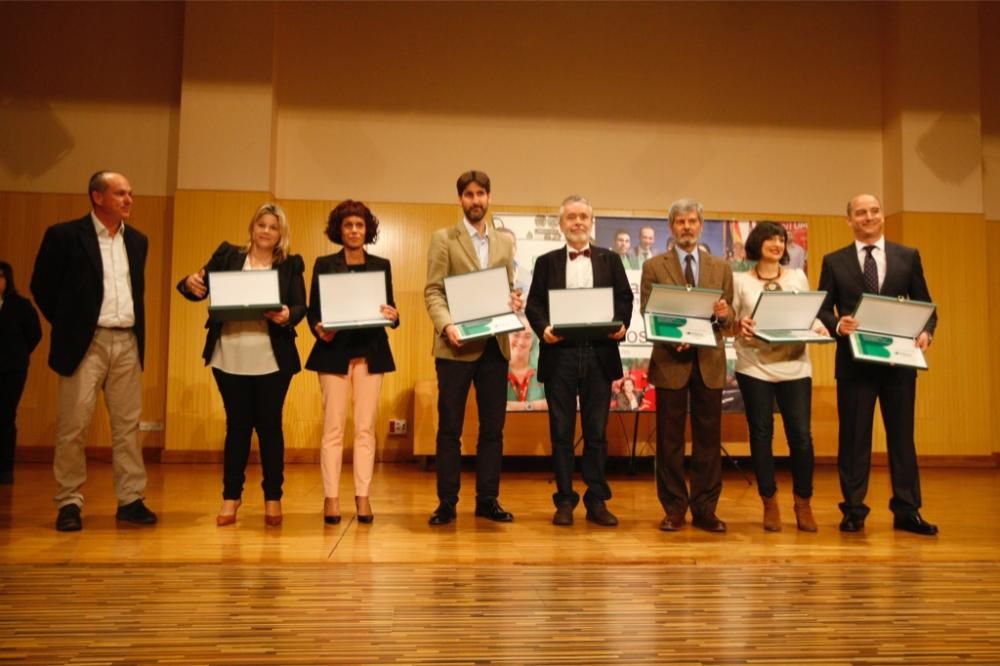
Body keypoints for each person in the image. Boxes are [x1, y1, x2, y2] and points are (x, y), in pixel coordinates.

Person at [30, 171, 157, 531]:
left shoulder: (138, 241)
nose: (128, 200)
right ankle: (69, 501)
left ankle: (131, 499)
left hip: (128, 341)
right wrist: (71, 324)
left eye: (130, 193)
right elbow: (41, 285)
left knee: (127, 427)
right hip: (86, 343)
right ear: (97, 197)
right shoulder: (65, 236)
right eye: (120, 193)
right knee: (73, 425)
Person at [177, 202, 305, 527]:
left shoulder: (290, 264)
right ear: (252, 227)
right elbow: (195, 287)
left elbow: (300, 306)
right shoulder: (227, 256)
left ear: (281, 234)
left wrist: (289, 315)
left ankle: (273, 497)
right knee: (236, 427)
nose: (266, 231)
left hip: (272, 358)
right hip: (229, 353)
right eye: (261, 225)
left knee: (269, 427)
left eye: (273, 227)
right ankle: (230, 497)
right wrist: (188, 283)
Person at [818, 193, 938, 536]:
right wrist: (837, 324)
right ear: (849, 220)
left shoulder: (908, 256)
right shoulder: (834, 261)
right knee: (854, 440)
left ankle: (907, 510)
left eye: (873, 211)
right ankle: (853, 509)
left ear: (882, 216)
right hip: (855, 366)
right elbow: (823, 308)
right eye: (860, 213)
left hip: (899, 364)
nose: (868, 217)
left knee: (902, 439)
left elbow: (926, 306)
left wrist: (926, 333)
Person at [526, 195, 633, 527]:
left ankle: (597, 500)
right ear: (561, 224)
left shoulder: (611, 260)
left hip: (599, 353)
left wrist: (621, 325)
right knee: (560, 432)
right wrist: (543, 329)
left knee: (597, 433)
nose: (577, 222)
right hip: (560, 355)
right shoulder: (546, 262)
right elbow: (534, 305)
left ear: (592, 222)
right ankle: (564, 501)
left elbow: (625, 298)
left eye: (583, 216)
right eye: (571, 217)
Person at [424, 170, 522, 525]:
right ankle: (447, 502)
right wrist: (447, 325)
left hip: (495, 346)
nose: (476, 200)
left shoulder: (504, 242)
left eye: (481, 193)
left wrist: (513, 301)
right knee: (450, 427)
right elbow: (433, 290)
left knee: (493, 429)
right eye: (469, 194)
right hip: (455, 347)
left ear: (489, 197)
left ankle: (487, 499)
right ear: (460, 199)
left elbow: (508, 287)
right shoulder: (443, 239)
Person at [640, 198, 734, 533]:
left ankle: (706, 509)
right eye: (680, 222)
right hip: (671, 361)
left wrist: (725, 315)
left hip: (709, 362)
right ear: (671, 227)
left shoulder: (720, 267)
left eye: (692, 221)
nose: (687, 227)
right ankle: (674, 508)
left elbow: (730, 317)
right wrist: (670, 337)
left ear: (700, 224)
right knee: (669, 440)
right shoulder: (654, 266)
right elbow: (649, 313)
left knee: (709, 440)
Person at [306, 200, 399, 525]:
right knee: (333, 429)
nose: (355, 231)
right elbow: (313, 311)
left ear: (367, 230)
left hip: (371, 352)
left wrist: (394, 315)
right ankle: (331, 498)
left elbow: (390, 309)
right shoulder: (323, 264)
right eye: (349, 225)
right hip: (333, 353)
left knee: (365, 429)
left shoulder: (381, 265)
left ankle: (363, 497)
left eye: (360, 225)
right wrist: (318, 328)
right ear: (339, 230)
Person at [732, 221, 828, 532]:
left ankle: (803, 503)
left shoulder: (798, 276)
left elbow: (809, 315)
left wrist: (819, 328)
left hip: (795, 365)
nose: (777, 244)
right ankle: (769, 501)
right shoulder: (740, 281)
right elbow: (730, 321)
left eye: (781, 240)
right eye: (771, 239)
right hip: (754, 365)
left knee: (800, 437)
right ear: (757, 243)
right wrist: (739, 324)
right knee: (761, 436)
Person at [0, 261, 42, 484]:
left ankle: (5, 468)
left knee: (5, 416)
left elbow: (34, 334)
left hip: (11, 369)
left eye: (0, 277)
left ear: (8, 280)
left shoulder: (21, 305)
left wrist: (18, 354)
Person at [505, 324, 546, 412]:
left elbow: (555, 403)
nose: (521, 342)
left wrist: (526, 406)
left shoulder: (543, 372)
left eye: (527, 336)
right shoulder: (496, 373)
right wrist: (538, 405)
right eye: (516, 335)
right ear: (506, 337)